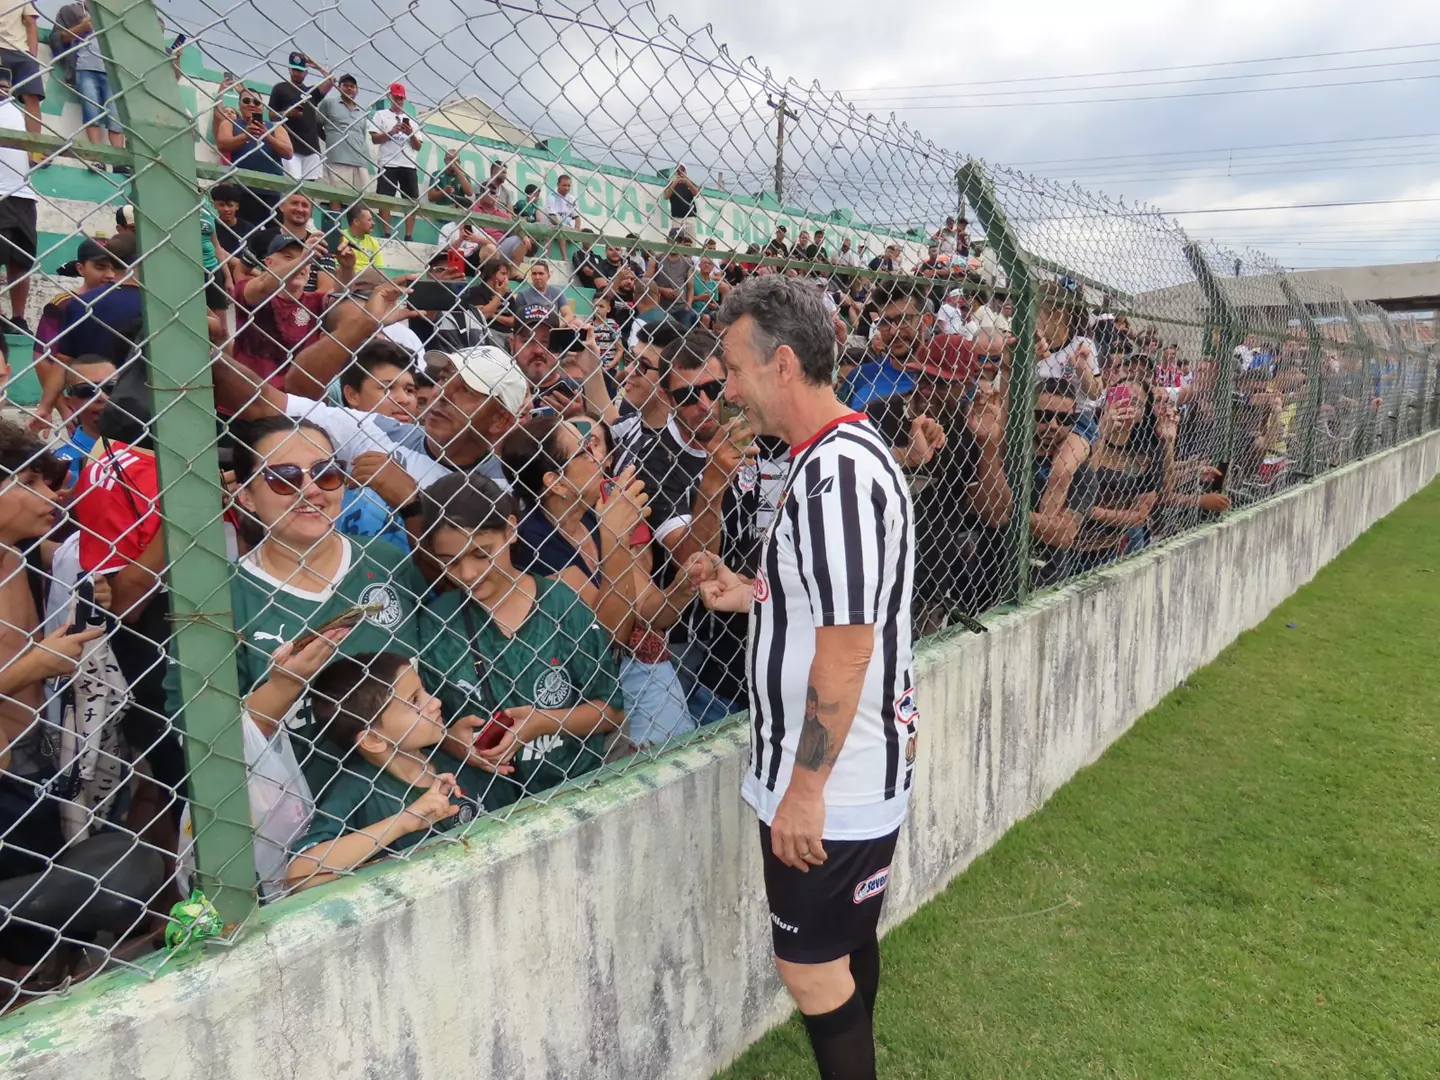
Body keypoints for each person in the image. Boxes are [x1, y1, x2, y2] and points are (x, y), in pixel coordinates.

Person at [693, 275, 916, 1080]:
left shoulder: (837, 475)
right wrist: (753, 596)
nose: (726, 388)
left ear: (781, 364)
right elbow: (828, 606)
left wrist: (806, 789)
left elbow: (850, 645)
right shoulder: (827, 459)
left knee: (810, 969)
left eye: (732, 369)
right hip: (837, 769)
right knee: (845, 947)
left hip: (834, 777)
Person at [0, 421, 164, 982]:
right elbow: (26, 664)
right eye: (32, 482)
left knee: (50, 933)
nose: (56, 496)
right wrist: (37, 665)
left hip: (30, 765)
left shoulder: (23, 558)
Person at [228, 415, 426, 788]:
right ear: (247, 496)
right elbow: (202, 742)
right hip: (305, 819)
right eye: (284, 477)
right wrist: (284, 687)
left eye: (325, 472)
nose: (311, 489)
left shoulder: (385, 560)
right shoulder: (226, 598)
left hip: (421, 792)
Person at [415, 471, 624, 804]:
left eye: (482, 554)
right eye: (449, 562)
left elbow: (610, 711)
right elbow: (415, 723)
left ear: (511, 530)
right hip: (488, 804)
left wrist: (542, 722)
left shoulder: (561, 605)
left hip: (577, 787)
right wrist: (448, 740)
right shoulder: (436, 624)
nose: (468, 574)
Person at [499, 415, 696, 746]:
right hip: (586, 699)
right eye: (583, 452)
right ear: (556, 482)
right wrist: (616, 539)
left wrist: (684, 586)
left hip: (632, 678)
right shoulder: (534, 544)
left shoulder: (592, 516)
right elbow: (608, 638)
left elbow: (647, 611)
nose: (599, 457)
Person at [284, 651, 499, 888]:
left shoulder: (451, 759)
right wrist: (404, 822)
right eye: (415, 700)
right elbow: (299, 875)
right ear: (373, 739)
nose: (435, 702)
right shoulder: (357, 789)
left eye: (424, 690)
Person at [230, 234, 341, 389]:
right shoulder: (247, 289)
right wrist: (301, 261)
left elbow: (341, 298)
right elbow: (263, 286)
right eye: (288, 257)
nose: (302, 263)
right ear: (268, 263)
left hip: (300, 401)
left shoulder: (315, 301)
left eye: (307, 258)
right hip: (253, 398)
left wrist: (347, 269)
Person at [50, 2, 127, 169]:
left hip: (113, 71)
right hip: (85, 68)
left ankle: (119, 162)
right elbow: (56, 39)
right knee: (91, 114)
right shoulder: (71, 11)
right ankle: (97, 157)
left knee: (116, 117)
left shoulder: (114, 14)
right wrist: (81, 27)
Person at [213, 84, 293, 240]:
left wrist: (267, 136)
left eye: (256, 102)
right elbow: (222, 144)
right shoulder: (230, 124)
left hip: (271, 191)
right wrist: (246, 136)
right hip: (242, 189)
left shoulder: (275, 127)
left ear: (262, 107)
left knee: (274, 235)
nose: (251, 104)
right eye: (246, 101)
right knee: (243, 234)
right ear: (239, 105)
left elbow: (288, 152)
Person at [0, 66, 36, 335]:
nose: (3, 88)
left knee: (22, 259)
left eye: (5, 84)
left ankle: (19, 317)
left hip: (23, 193)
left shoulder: (17, 109)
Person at [269, 51, 334, 182]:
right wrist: (287, 113)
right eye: (294, 70)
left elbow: (331, 81)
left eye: (301, 70)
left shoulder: (310, 92)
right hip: (290, 145)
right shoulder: (280, 88)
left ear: (306, 72)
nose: (297, 73)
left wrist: (317, 66)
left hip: (311, 147)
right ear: (289, 69)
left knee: (310, 187)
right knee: (292, 184)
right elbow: (271, 116)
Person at [369, 83, 422, 242]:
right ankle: (386, 232)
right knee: (385, 198)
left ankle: (408, 235)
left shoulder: (412, 121)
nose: (398, 101)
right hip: (388, 162)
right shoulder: (381, 115)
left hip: (408, 163)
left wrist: (410, 134)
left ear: (404, 99)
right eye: (396, 97)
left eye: (401, 98)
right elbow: (375, 139)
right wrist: (391, 131)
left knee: (411, 200)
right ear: (389, 97)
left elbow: (418, 146)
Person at [51, 354, 115, 483]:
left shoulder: (149, 449)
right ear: (69, 402)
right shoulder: (58, 465)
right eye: (86, 390)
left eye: (111, 388)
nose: (101, 397)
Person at [316, 73, 373, 211]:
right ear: (339, 87)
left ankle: (358, 230)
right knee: (337, 197)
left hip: (360, 161)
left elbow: (362, 134)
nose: (349, 89)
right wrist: (329, 138)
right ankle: (336, 229)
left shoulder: (362, 111)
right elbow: (317, 124)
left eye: (352, 86)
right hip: (338, 158)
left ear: (357, 90)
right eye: (345, 86)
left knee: (362, 200)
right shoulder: (329, 103)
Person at [0, 2, 40, 156]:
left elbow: (31, 24)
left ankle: (35, 148)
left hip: (21, 51)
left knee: (33, 98)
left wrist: (33, 57)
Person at [512, 261, 574, 327]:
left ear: (548, 276)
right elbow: (518, 319)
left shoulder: (557, 292)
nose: (537, 277)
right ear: (531, 276)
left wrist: (557, 326)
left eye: (541, 274)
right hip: (531, 329)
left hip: (551, 328)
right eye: (534, 274)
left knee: (577, 323)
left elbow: (568, 315)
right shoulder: (523, 294)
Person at [543, 174, 581, 262]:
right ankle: (564, 257)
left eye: (568, 186)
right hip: (552, 226)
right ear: (558, 185)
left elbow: (577, 217)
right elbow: (552, 218)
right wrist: (562, 226)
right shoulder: (552, 197)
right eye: (564, 185)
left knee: (586, 232)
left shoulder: (571, 198)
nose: (566, 188)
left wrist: (577, 229)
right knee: (562, 230)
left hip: (567, 227)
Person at [340, 205, 384, 272]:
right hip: (347, 277)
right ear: (356, 222)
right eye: (369, 220)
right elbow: (337, 268)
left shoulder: (373, 242)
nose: (373, 223)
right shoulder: (341, 237)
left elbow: (381, 271)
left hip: (369, 279)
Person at [663, 165, 699, 239]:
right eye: (678, 171)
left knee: (691, 241)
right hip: (677, 218)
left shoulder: (690, 183)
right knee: (676, 240)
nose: (680, 173)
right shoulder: (671, 184)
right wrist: (675, 182)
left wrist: (687, 182)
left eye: (682, 171)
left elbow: (697, 194)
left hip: (690, 217)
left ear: (685, 172)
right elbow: (666, 196)